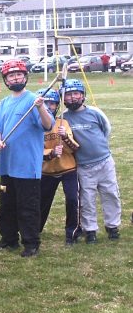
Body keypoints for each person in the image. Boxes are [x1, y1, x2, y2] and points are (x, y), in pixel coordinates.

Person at [0, 59, 54, 257]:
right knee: (7, 205)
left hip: (27, 167)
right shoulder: (4, 102)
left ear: (25, 77)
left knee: (28, 207)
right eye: (11, 75)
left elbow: (47, 125)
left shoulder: (34, 100)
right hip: (8, 165)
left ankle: (31, 243)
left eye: (19, 74)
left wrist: (41, 107)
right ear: (6, 80)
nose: (15, 78)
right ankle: (9, 239)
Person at [62, 79, 122, 244]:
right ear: (63, 98)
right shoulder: (64, 118)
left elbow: (106, 129)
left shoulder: (95, 112)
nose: (72, 98)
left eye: (76, 94)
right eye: (68, 95)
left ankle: (112, 226)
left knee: (110, 194)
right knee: (87, 199)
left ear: (82, 95)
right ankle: (90, 231)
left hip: (104, 162)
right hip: (83, 166)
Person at [36, 88, 82, 246]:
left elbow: (75, 147)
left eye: (52, 104)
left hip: (68, 169)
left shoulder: (64, 123)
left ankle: (72, 232)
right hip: (47, 171)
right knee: (42, 201)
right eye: (46, 103)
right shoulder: (36, 126)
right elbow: (35, 152)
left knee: (72, 199)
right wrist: (50, 153)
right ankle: (36, 230)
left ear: (57, 106)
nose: (49, 107)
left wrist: (66, 137)